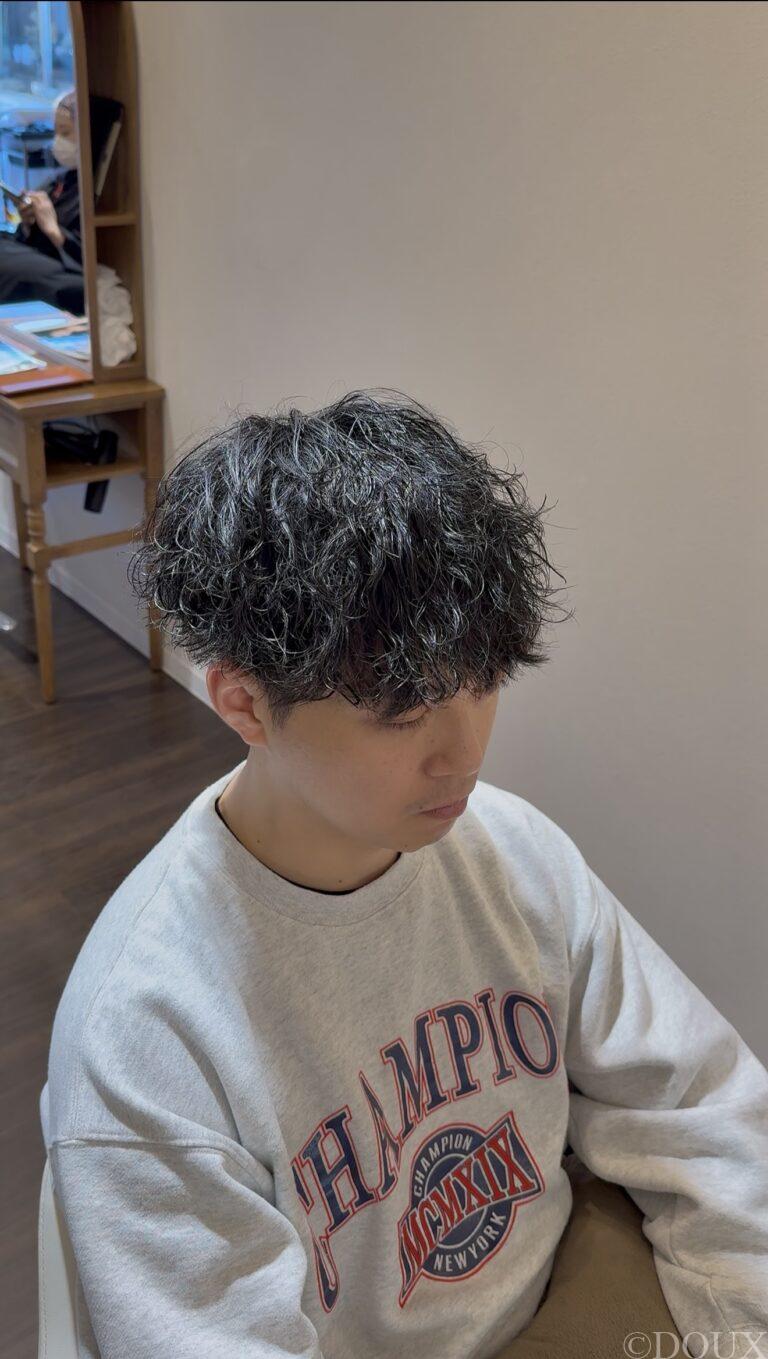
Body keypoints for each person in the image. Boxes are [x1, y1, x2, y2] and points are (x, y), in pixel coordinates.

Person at [39, 389, 768, 1359]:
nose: (463, 754)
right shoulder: (148, 1032)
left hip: (571, 1294)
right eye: (401, 710)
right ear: (244, 705)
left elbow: (704, 1107)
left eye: (485, 684)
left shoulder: (515, 850)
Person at [0, 88, 84, 313]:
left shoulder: (98, 190)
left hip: (70, 272)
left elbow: (88, 258)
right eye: (55, 132)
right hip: (43, 257)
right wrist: (30, 223)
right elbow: (28, 240)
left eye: (65, 133)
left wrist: (53, 230)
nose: (57, 142)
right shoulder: (63, 181)